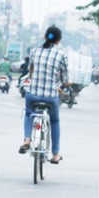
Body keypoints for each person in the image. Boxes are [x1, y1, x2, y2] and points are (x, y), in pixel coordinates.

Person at [18, 25, 68, 164]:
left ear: (45, 37)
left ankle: (27, 140)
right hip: (51, 97)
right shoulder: (61, 55)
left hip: (32, 94)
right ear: (58, 40)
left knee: (29, 114)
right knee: (55, 121)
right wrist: (66, 83)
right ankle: (56, 154)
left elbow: (31, 71)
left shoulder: (34, 52)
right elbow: (64, 78)